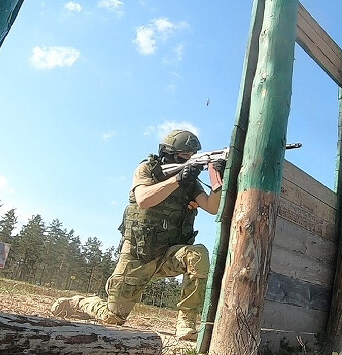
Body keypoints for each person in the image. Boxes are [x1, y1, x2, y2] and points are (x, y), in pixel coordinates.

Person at [51, 129, 223, 340]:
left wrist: (218, 181)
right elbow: (143, 199)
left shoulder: (190, 182)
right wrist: (176, 179)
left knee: (197, 254)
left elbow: (212, 207)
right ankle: (78, 303)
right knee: (113, 318)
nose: (187, 159)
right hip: (138, 254)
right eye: (183, 156)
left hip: (168, 254)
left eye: (190, 156)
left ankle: (186, 321)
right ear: (168, 153)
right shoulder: (147, 170)